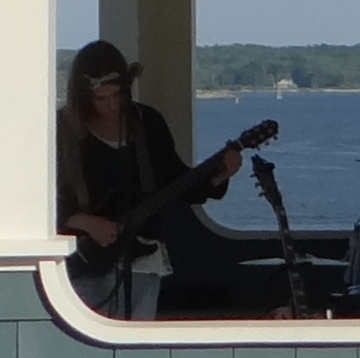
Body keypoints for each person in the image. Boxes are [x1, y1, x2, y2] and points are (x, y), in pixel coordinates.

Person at [58, 40, 237, 316]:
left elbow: (177, 182)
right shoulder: (63, 130)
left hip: (141, 259)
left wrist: (220, 174)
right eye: (101, 99)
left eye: (116, 96)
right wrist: (83, 221)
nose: (111, 106)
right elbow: (36, 198)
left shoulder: (147, 123)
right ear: (83, 97)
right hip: (79, 260)